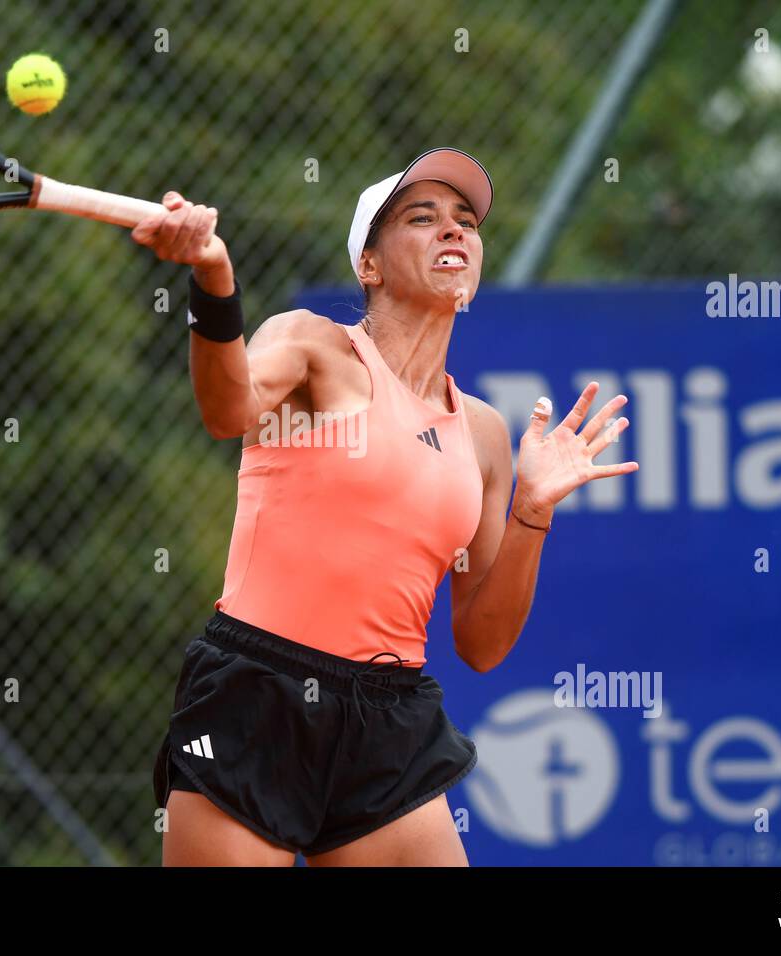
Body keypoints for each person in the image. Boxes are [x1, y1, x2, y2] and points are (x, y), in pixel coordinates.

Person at [134, 148, 638, 866]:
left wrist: (533, 508)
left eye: (465, 220)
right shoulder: (314, 346)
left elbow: (483, 644)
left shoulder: (488, 436)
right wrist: (214, 278)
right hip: (256, 696)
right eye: (422, 218)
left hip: (389, 719)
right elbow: (226, 408)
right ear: (368, 265)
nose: (453, 231)